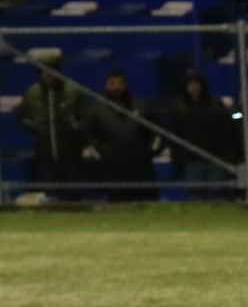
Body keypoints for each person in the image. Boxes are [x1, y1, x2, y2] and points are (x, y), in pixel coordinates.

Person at [16, 62, 86, 198]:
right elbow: (22, 116)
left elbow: (85, 115)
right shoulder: (32, 92)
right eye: (44, 71)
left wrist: (75, 126)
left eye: (51, 71)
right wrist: (35, 126)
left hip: (71, 148)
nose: (48, 74)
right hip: (44, 149)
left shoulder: (73, 90)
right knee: (50, 190)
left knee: (74, 190)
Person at [86, 70, 157, 202]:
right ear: (105, 86)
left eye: (120, 83)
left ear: (125, 85)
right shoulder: (95, 109)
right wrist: (104, 152)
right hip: (113, 167)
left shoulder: (140, 105)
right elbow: (90, 136)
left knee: (147, 202)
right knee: (118, 205)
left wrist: (150, 151)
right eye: (112, 83)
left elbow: (156, 130)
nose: (116, 87)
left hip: (141, 166)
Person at [171, 70, 234, 198]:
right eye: (190, 85)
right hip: (192, 159)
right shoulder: (179, 106)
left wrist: (228, 156)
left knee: (218, 193)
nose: (193, 88)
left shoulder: (215, 104)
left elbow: (226, 131)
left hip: (215, 157)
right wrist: (177, 158)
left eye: (196, 84)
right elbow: (176, 135)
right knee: (195, 194)